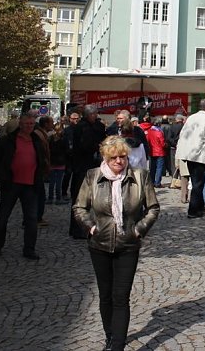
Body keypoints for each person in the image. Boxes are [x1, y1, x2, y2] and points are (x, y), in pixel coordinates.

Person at [73, 135, 160, 351]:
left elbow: (153, 208)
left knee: (121, 297)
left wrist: (138, 230)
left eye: (122, 156)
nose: (119, 161)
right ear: (105, 157)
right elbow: (79, 208)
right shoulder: (93, 176)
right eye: (114, 157)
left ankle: (117, 346)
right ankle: (110, 335)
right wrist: (92, 227)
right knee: (106, 295)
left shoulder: (140, 176)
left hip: (128, 245)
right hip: (99, 245)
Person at [0, 113, 49, 259]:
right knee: (3, 216)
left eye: (32, 124)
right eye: (26, 124)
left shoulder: (36, 140)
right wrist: (2, 177)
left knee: (31, 219)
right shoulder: (9, 140)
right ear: (20, 124)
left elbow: (42, 159)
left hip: (30, 185)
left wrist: (41, 175)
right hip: (11, 184)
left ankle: (29, 249)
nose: (29, 126)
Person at [69, 105, 107, 238]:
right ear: (90, 115)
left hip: (88, 166)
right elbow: (86, 145)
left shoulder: (94, 126)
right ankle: (77, 228)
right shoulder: (83, 127)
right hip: (83, 166)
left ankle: (82, 227)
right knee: (80, 198)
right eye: (94, 114)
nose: (96, 116)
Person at [175, 99, 205, 218]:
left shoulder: (191, 118)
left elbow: (183, 135)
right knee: (198, 183)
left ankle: (199, 206)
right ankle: (193, 210)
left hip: (188, 154)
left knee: (196, 181)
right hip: (199, 155)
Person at [139, 116, 167, 187]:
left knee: (152, 168)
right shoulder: (159, 132)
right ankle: (157, 183)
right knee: (159, 168)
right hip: (160, 152)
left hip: (152, 151)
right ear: (159, 124)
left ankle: (151, 181)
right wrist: (166, 145)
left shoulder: (149, 132)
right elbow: (162, 144)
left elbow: (147, 141)